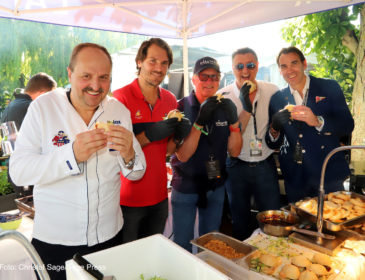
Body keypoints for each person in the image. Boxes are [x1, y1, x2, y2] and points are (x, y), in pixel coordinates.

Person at [9, 43, 146, 280]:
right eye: (86, 76)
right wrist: (70, 156)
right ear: (70, 74)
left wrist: (130, 156)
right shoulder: (43, 108)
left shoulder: (119, 112)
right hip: (55, 243)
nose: (96, 85)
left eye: (104, 77)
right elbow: (19, 171)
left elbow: (136, 173)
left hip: (109, 237)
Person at [112, 38, 190, 243]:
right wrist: (148, 136)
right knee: (128, 263)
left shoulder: (171, 100)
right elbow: (116, 152)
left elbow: (167, 150)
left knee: (152, 257)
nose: (159, 68)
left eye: (164, 63)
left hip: (160, 197)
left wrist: (180, 137)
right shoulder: (121, 98)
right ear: (139, 61)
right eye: (153, 61)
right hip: (127, 199)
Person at [170, 56, 242, 252]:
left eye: (214, 77)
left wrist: (234, 123)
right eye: (204, 77)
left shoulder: (225, 107)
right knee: (182, 246)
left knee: (210, 246)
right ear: (194, 79)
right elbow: (182, 155)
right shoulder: (181, 107)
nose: (209, 82)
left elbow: (235, 151)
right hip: (186, 187)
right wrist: (199, 121)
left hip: (215, 187)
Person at [265, 46, 354, 203]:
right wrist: (274, 128)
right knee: (301, 225)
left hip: (328, 172)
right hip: (295, 176)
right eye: (283, 66)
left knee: (331, 220)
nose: (289, 70)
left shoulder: (329, 87)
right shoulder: (277, 98)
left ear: (304, 64)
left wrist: (318, 121)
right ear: (279, 70)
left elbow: (347, 125)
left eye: (294, 63)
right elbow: (272, 142)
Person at [217, 47, 282, 240]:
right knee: (240, 220)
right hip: (236, 166)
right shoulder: (223, 96)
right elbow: (226, 137)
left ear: (257, 65)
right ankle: (243, 261)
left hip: (265, 163)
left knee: (272, 219)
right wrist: (244, 107)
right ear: (232, 68)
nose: (245, 70)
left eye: (250, 65)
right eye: (240, 66)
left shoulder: (272, 90)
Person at [1, 73, 57, 197]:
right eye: (50, 96)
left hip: (17, 171)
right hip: (30, 173)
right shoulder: (32, 108)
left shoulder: (11, 106)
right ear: (43, 94)